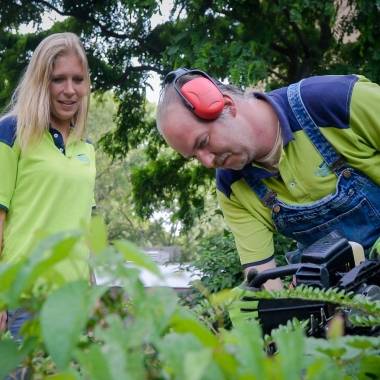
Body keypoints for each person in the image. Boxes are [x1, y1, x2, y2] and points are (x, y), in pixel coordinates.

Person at [156, 68, 380, 292]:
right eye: (195, 157)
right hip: (342, 301)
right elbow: (263, 283)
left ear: (227, 105)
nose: (207, 162)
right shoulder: (231, 189)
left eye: (203, 142)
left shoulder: (336, 101)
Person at [0, 32, 96, 347]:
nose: (70, 90)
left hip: (73, 303)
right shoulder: (11, 132)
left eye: (78, 79)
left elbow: (86, 232)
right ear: (42, 82)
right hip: (25, 298)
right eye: (58, 79)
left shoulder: (87, 149)